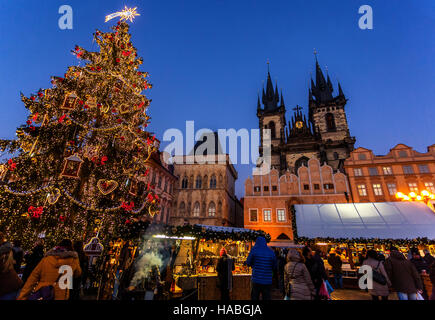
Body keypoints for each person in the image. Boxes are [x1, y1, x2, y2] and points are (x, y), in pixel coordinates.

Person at [246, 236, 277, 300]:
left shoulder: (254, 250)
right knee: (266, 297)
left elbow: (248, 262)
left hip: (256, 279)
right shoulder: (271, 252)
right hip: (267, 280)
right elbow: (274, 266)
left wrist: (253, 265)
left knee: (255, 297)